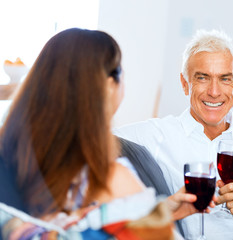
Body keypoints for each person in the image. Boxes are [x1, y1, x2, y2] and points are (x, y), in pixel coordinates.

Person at [0, 28, 202, 239]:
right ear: (107, 86)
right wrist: (150, 215)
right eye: (122, 73)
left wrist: (160, 211)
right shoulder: (108, 179)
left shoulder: (10, 157)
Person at [114, 29, 233, 240]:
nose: (214, 92)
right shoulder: (154, 134)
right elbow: (88, 138)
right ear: (185, 83)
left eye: (225, 79)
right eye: (203, 78)